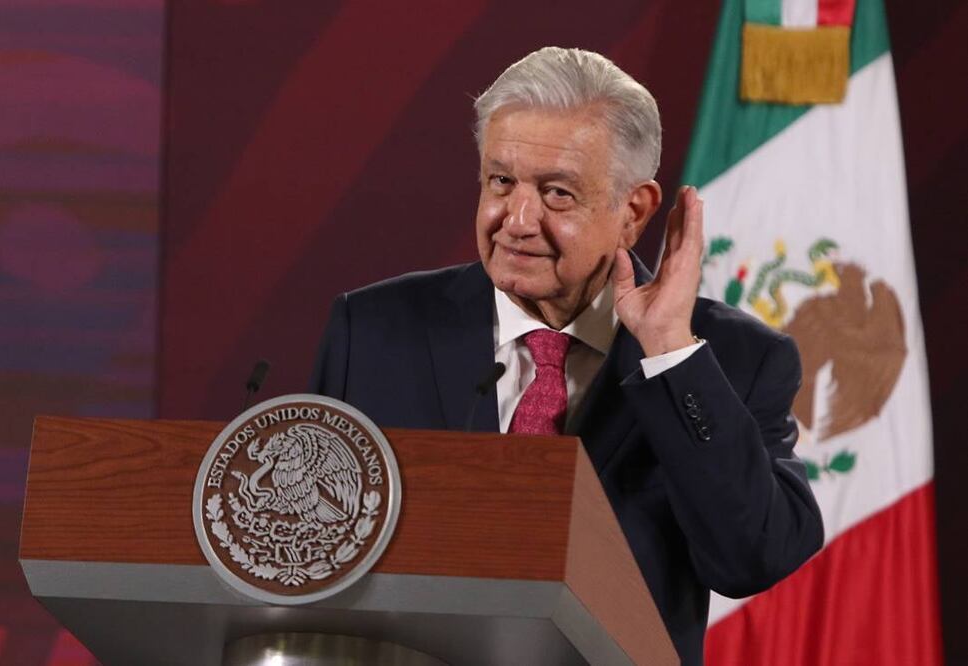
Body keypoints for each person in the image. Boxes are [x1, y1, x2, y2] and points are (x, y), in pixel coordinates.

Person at [310, 47, 823, 665]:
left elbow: (751, 558)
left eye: (556, 194)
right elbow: (310, 551)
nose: (517, 220)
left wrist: (667, 353)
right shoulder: (373, 331)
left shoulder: (729, 360)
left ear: (632, 213)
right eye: (501, 182)